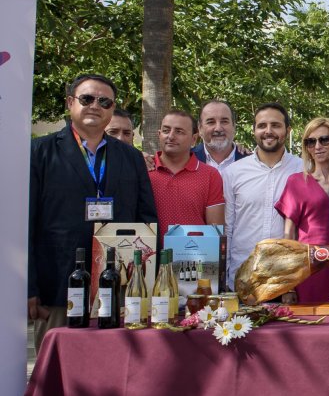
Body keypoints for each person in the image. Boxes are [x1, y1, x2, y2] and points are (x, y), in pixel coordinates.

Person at [28, 74, 156, 350]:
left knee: (113, 364)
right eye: (86, 99)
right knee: (57, 368)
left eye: (104, 101)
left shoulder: (130, 157)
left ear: (112, 108)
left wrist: (142, 278)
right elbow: (25, 223)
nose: (95, 106)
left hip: (117, 283)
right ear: (70, 103)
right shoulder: (40, 152)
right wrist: (30, 288)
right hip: (58, 286)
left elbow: (146, 219)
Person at [223, 103, 304, 290]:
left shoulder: (303, 170)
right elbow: (227, 227)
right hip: (242, 276)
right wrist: (225, 276)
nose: (268, 131)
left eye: (275, 125)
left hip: (287, 277)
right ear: (254, 131)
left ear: (288, 130)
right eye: (262, 126)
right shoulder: (233, 173)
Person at [275, 118, 329, 304]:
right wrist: (287, 285)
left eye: (324, 140)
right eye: (310, 142)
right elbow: (288, 237)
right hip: (309, 268)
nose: (318, 146)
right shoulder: (296, 182)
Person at [148, 109, 225, 232]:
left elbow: (215, 231)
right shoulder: (144, 170)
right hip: (149, 251)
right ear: (159, 134)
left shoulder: (210, 175)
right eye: (166, 130)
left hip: (196, 250)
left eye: (179, 132)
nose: (171, 136)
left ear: (194, 139)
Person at [194, 100, 248, 174]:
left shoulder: (251, 161)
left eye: (224, 121)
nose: (218, 128)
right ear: (200, 128)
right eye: (211, 122)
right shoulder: (186, 159)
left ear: (234, 127)